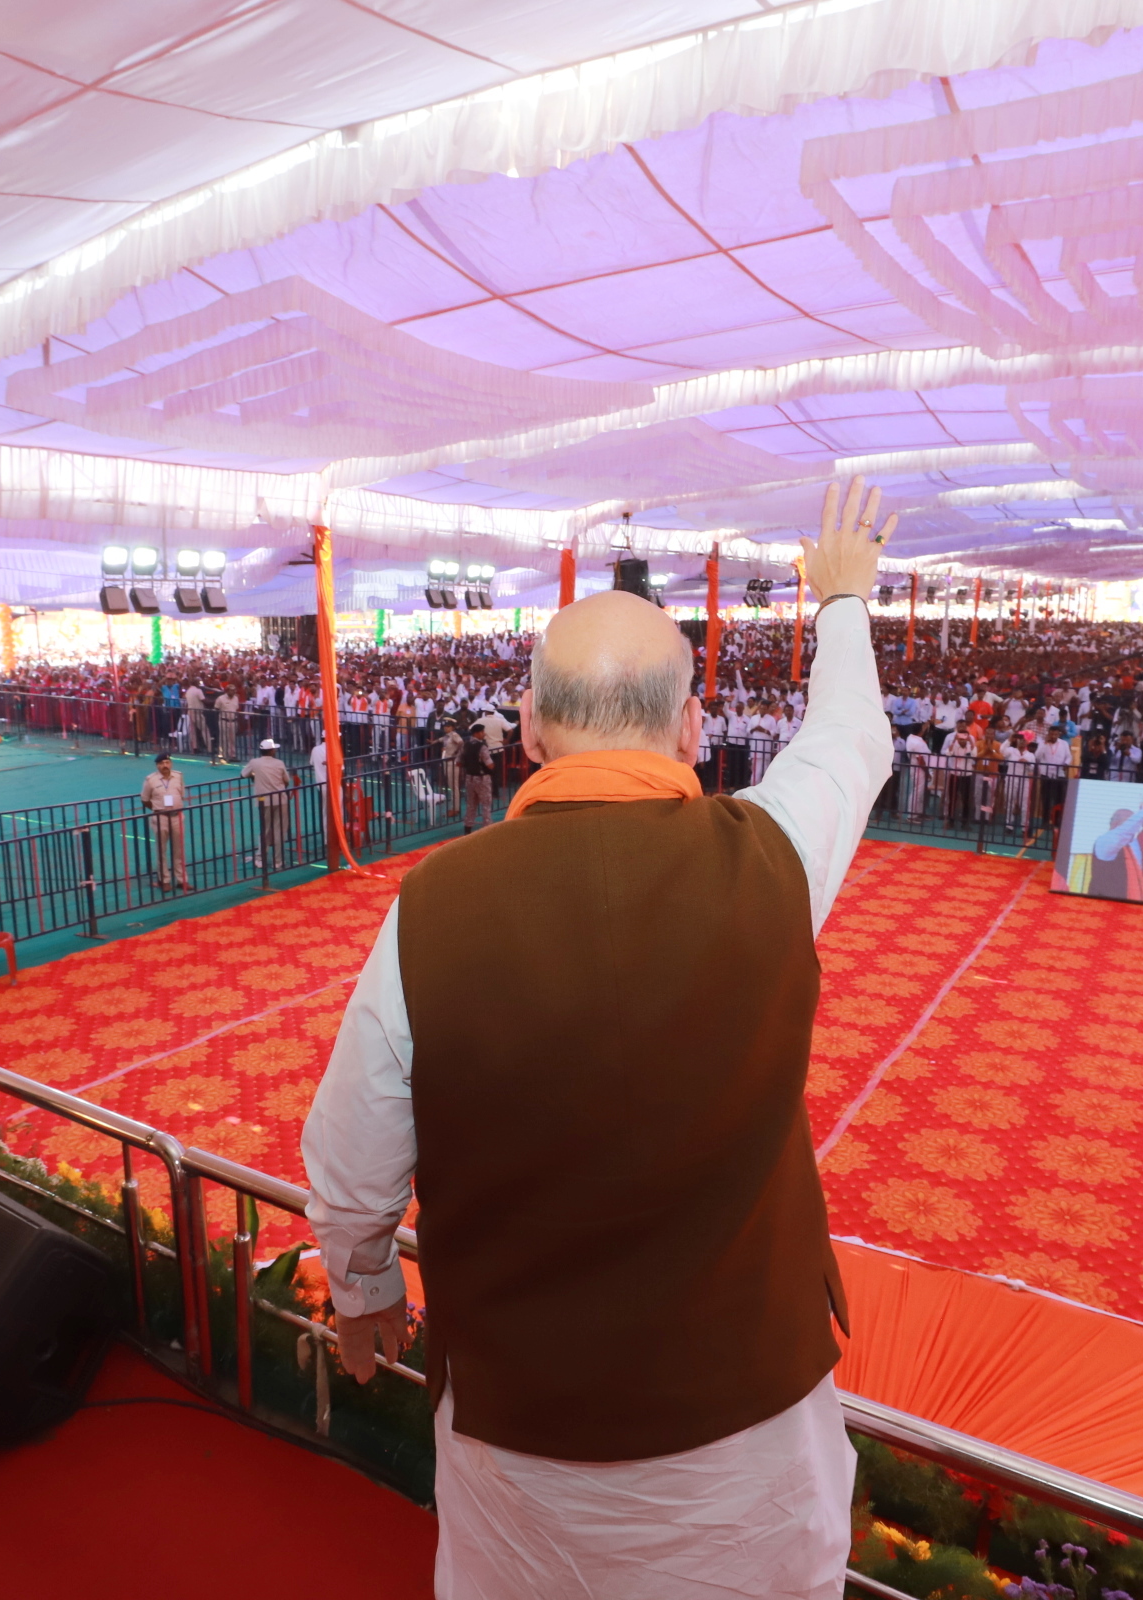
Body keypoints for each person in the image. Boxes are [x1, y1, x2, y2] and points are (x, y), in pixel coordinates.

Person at [301, 479, 896, 1600]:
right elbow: (851, 738)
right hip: (752, 1460)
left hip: (524, 1472)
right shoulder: (771, 857)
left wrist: (364, 1289)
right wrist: (842, 600)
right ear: (691, 727)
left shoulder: (434, 904)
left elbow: (353, 1156)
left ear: (527, 732)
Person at [243, 736, 293, 868]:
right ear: (271, 751)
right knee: (279, 831)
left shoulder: (255, 763)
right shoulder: (279, 763)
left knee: (264, 830)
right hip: (280, 799)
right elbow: (286, 781)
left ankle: (260, 858)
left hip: (263, 801)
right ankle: (278, 861)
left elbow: (243, 774)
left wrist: (254, 775)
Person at [143, 752, 190, 890]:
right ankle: (164, 880)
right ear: (157, 765)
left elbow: (181, 794)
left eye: (167, 762)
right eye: (162, 763)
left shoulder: (178, 776)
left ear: (171, 763)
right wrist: (158, 809)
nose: (165, 765)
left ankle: (182, 880)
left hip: (177, 816)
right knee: (161, 850)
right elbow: (145, 799)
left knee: (179, 850)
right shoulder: (150, 780)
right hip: (161, 817)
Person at [458, 725, 495, 832]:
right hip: (482, 778)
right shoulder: (482, 746)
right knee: (486, 804)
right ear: (477, 733)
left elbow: (458, 762)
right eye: (482, 732)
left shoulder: (465, 745)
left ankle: (467, 828)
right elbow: (489, 764)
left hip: (469, 777)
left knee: (471, 804)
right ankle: (487, 828)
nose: (484, 734)